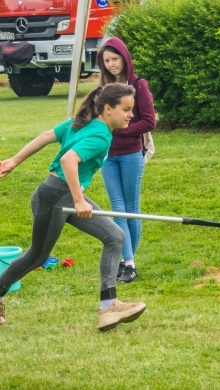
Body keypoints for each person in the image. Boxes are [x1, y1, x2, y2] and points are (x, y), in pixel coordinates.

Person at [0, 83, 146, 331]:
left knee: (115, 236)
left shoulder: (83, 122)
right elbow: (69, 160)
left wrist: (15, 160)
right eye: (126, 109)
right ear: (108, 109)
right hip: (55, 197)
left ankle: (108, 306)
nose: (131, 114)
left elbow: (46, 136)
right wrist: (79, 200)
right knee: (37, 255)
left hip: (62, 195)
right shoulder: (99, 134)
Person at [97, 37, 156, 284]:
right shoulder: (102, 88)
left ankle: (129, 262)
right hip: (108, 156)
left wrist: (119, 130)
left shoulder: (138, 85)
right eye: (106, 60)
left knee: (131, 209)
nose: (111, 64)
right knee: (117, 209)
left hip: (132, 154)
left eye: (115, 59)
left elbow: (148, 121)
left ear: (124, 58)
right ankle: (128, 262)